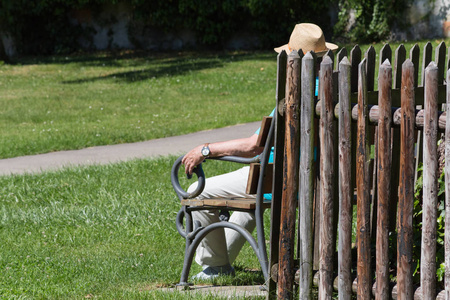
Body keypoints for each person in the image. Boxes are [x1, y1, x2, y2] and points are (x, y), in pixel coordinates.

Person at [182, 23, 338, 280]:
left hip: (281, 179)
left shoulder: (294, 93)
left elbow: (253, 146)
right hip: (318, 179)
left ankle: (216, 265)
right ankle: (221, 262)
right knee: (253, 189)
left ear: (291, 58)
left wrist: (206, 150)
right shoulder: (339, 91)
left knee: (197, 192)